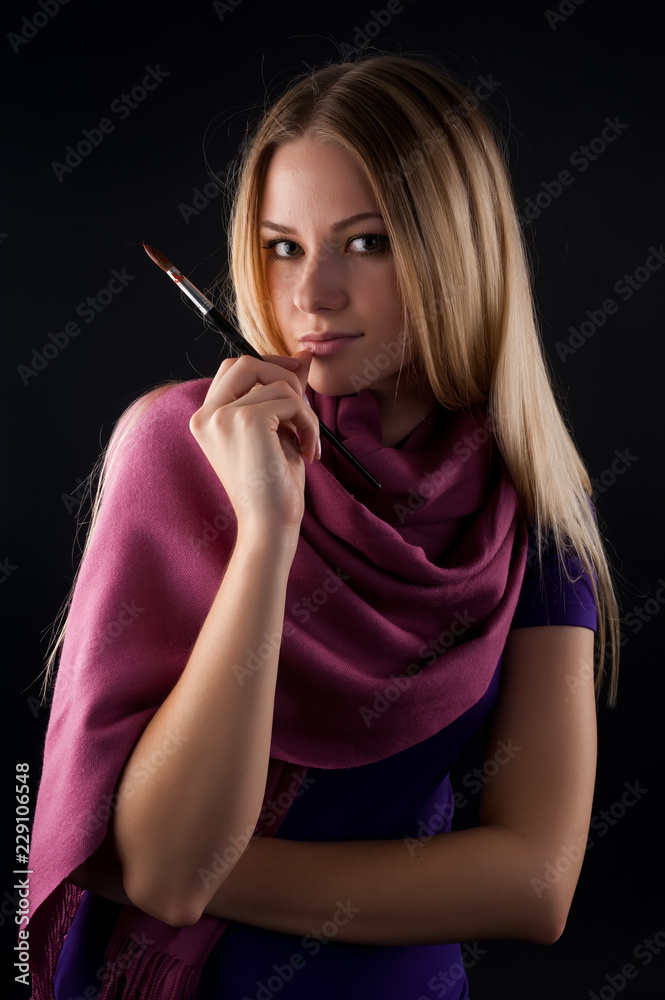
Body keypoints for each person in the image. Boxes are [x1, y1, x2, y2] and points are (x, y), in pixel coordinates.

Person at [27, 53, 620, 1000]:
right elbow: (165, 874)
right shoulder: (174, 450)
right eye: (282, 246)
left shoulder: (534, 499)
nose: (311, 297)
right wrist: (266, 534)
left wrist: (181, 867)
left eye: (367, 242)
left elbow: (536, 884)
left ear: (458, 249)